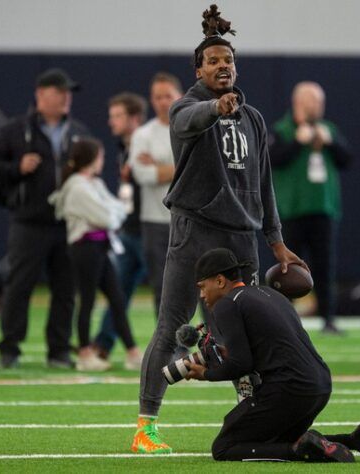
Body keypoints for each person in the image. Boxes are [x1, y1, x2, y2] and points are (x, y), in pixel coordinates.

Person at [131, 5, 306, 454]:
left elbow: (262, 182)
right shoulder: (186, 107)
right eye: (213, 61)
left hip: (242, 238)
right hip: (197, 231)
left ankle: (251, 415)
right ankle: (145, 426)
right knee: (172, 324)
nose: (223, 66)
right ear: (199, 69)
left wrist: (277, 242)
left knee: (242, 334)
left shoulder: (254, 118)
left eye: (228, 61)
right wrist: (215, 106)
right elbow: (190, 121)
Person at [180, 248, 360, 462]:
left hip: (290, 388)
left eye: (202, 286)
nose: (201, 295)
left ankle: (298, 451)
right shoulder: (270, 294)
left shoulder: (226, 305)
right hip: (319, 384)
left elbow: (241, 363)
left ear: (220, 281)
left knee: (224, 448)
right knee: (274, 440)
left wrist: (207, 373)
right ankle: (359, 439)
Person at [0, 68, 89, 369]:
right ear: (41, 94)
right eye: (60, 91)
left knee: (66, 290)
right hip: (29, 222)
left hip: (68, 223)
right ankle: (10, 348)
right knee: (19, 287)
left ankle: (58, 350)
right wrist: (17, 167)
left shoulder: (78, 131)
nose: (67, 97)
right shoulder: (15, 130)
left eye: (69, 92)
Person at [269, 81, 353, 334]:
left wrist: (330, 143)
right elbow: (274, 159)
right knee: (288, 269)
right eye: (312, 102)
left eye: (319, 102)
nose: (317, 107)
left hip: (323, 208)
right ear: (298, 103)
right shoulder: (281, 129)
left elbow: (346, 159)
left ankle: (328, 318)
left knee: (325, 266)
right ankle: (283, 320)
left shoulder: (328, 129)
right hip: (292, 209)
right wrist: (297, 141)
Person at [49, 138, 138, 371]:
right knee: (87, 300)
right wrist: (113, 215)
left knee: (117, 299)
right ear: (91, 159)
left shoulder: (94, 183)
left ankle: (132, 352)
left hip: (100, 247)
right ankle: (85, 354)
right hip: (85, 249)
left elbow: (118, 210)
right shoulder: (77, 186)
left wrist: (113, 215)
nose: (103, 161)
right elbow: (108, 218)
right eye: (100, 156)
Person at [92, 92, 147, 369]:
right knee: (117, 290)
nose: (110, 121)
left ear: (134, 118)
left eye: (117, 116)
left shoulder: (148, 142)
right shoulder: (123, 147)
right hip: (130, 229)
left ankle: (181, 346)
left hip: (155, 229)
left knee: (173, 294)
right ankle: (102, 345)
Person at [129, 73, 182, 319]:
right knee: (162, 290)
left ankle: (210, 345)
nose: (163, 102)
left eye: (167, 96)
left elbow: (204, 170)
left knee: (202, 287)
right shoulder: (142, 135)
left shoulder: (192, 129)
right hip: (154, 222)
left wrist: (160, 167)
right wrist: (180, 167)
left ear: (179, 96)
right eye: (157, 97)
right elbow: (142, 175)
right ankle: (168, 347)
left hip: (189, 221)